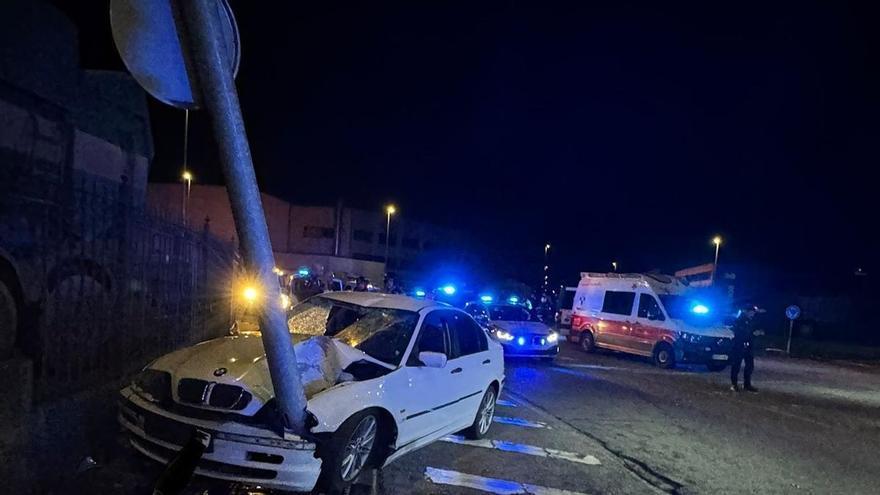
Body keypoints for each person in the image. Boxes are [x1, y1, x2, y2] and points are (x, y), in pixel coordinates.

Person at [730, 304, 760, 392]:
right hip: (739, 345)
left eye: (754, 312)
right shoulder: (740, 320)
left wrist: (756, 334)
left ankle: (747, 384)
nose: (753, 314)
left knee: (750, 366)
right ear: (747, 312)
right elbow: (740, 333)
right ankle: (734, 384)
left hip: (749, 346)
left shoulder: (751, 321)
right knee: (736, 365)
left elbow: (751, 332)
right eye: (751, 312)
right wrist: (752, 334)